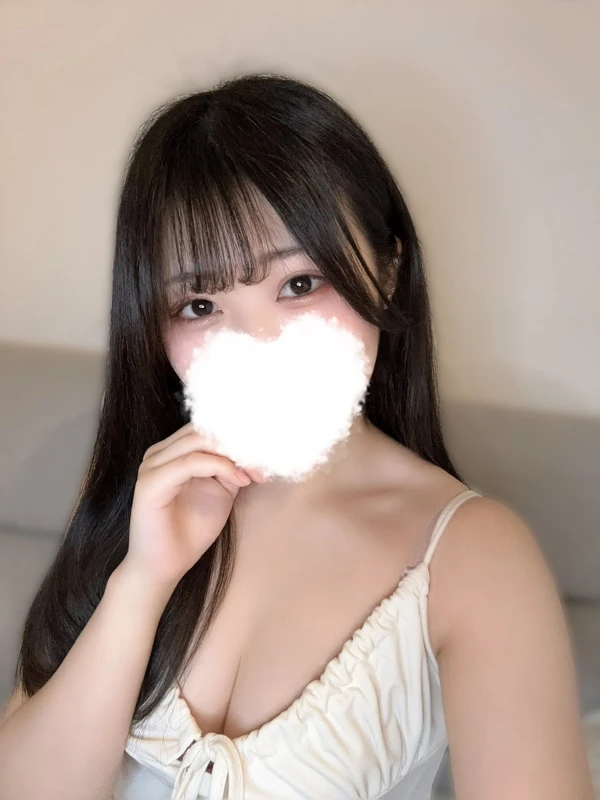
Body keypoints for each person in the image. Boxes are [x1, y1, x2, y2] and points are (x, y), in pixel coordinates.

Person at [0, 74, 593, 800]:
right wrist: (143, 580)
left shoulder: (475, 555)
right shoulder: (140, 492)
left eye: (301, 284)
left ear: (388, 270)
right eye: (199, 304)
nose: (260, 342)